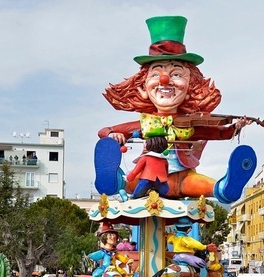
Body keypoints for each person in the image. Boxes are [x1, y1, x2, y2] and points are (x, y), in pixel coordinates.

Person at [96, 16, 255, 204]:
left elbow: (218, 133)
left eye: (177, 74)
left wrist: (235, 127)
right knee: (129, 182)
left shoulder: (191, 124)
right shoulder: (146, 123)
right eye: (156, 73)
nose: (165, 80)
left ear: (190, 88)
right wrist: (113, 136)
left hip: (183, 178)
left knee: (200, 184)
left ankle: (226, 188)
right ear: (143, 88)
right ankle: (112, 180)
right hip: (148, 178)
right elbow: (104, 132)